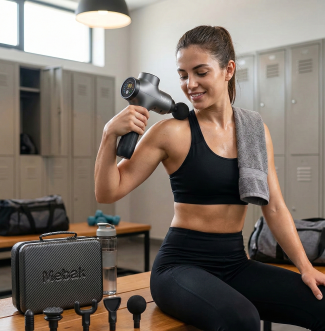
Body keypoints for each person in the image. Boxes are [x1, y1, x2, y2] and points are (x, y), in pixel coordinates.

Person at [95, 25, 325, 330]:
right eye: (183, 74)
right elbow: (108, 192)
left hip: (234, 262)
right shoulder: (171, 132)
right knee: (241, 319)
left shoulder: (255, 131)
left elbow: (275, 207)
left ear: (228, 70)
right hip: (179, 266)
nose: (190, 84)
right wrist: (109, 134)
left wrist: (305, 267)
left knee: (321, 301)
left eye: (201, 72)